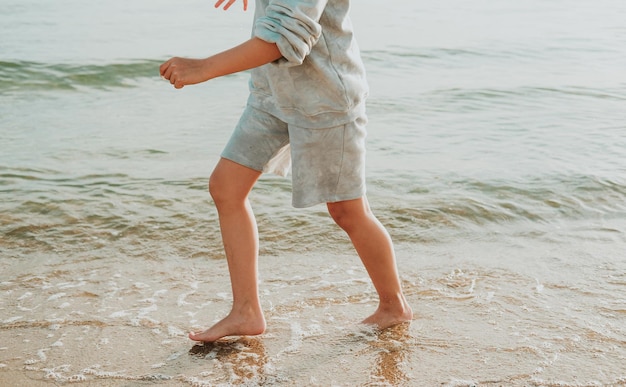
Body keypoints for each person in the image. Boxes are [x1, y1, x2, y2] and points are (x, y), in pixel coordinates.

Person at [160, 0, 413, 342]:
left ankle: (393, 306)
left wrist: (204, 67)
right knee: (226, 187)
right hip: (272, 96)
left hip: (324, 100)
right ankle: (246, 312)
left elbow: (285, 37)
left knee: (348, 211)